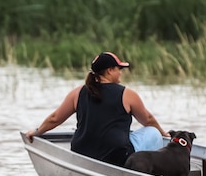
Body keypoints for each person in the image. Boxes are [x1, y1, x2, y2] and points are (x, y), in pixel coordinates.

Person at [25, 51, 169, 166]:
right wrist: (163, 133)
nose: (121, 72)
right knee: (152, 132)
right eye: (119, 69)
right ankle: (145, 173)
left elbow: (55, 118)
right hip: (116, 156)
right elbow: (148, 120)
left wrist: (38, 132)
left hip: (81, 153)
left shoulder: (77, 92)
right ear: (109, 71)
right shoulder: (127, 94)